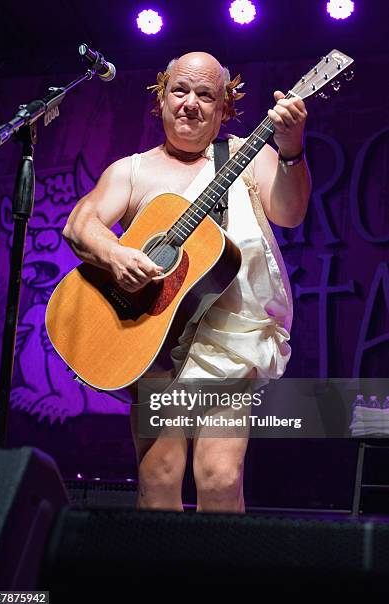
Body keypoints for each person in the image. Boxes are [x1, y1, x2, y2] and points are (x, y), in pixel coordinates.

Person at [62, 51, 311, 513]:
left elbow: (290, 213)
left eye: (205, 95)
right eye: (180, 90)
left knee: (219, 477)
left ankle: (218, 581)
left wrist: (292, 146)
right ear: (161, 97)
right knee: (159, 478)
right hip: (152, 336)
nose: (190, 103)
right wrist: (116, 254)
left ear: (223, 109)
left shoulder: (246, 157)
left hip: (229, 334)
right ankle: (162, 583)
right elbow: (81, 224)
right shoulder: (132, 170)